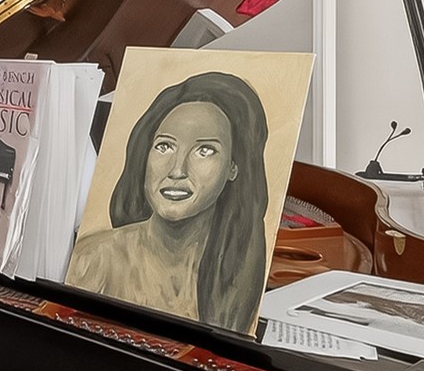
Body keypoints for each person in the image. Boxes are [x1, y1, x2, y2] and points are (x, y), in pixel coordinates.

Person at [67, 71, 271, 332]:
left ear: (234, 167)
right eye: (165, 146)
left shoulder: (240, 281)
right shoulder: (93, 259)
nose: (177, 170)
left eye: (204, 150)